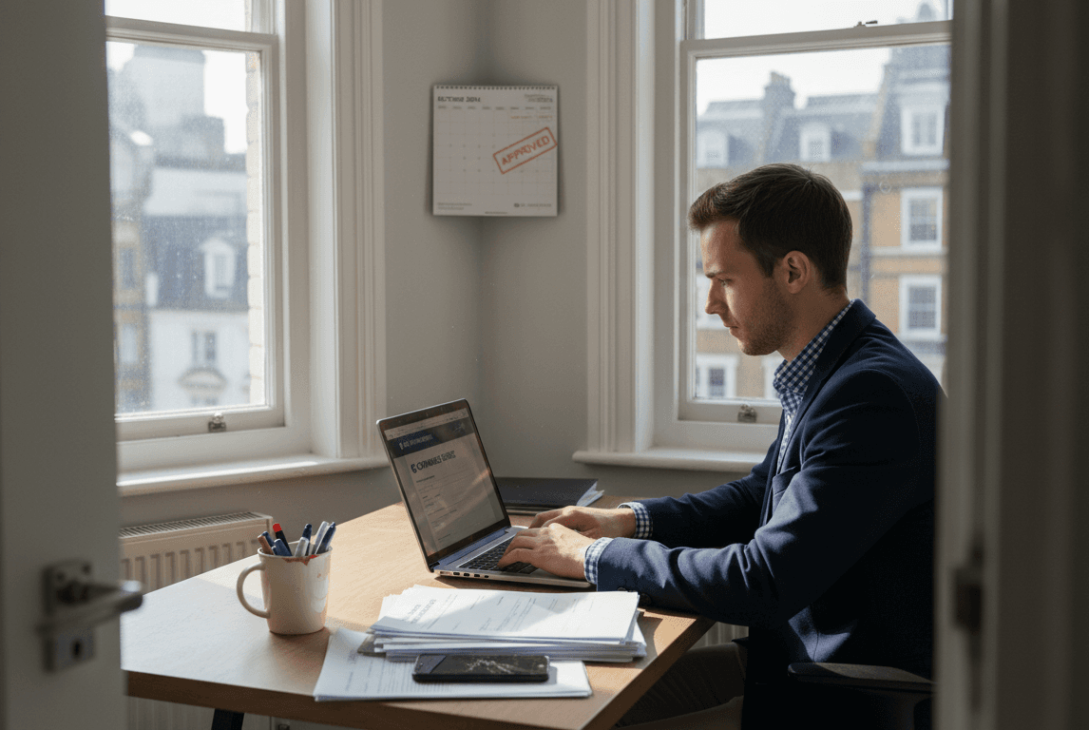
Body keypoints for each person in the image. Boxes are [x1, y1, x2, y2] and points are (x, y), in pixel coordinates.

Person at [498, 163, 940, 729]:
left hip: (841, 697)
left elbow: (763, 580)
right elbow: (760, 495)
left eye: (725, 280)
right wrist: (624, 523)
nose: (710, 303)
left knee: (581, 717)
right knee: (577, 704)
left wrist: (587, 558)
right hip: (789, 668)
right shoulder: (835, 368)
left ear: (793, 271)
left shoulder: (868, 394)